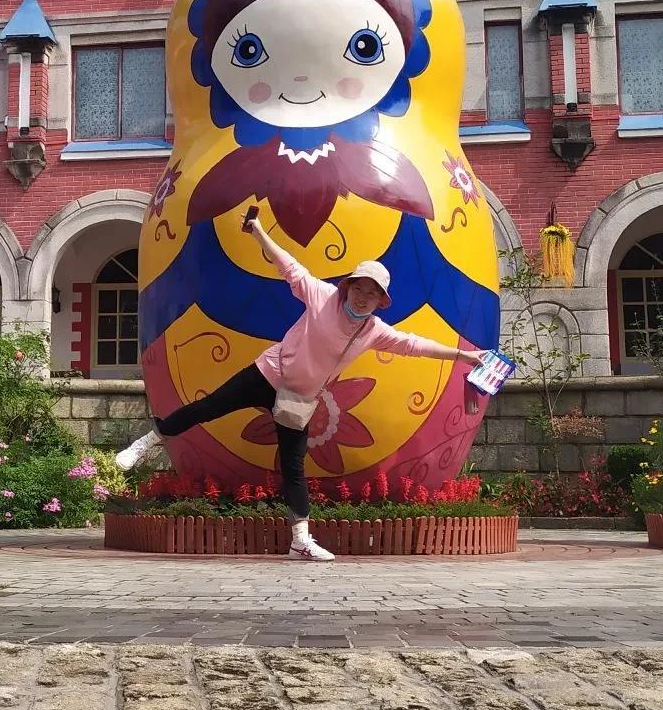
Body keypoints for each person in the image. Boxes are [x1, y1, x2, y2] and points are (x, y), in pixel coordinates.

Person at [116, 210, 484, 560]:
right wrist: (259, 232)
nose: (362, 297)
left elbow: (414, 345)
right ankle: (150, 439)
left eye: (372, 293)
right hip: (268, 374)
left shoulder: (373, 331)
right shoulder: (322, 296)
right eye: (359, 288)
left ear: (379, 301)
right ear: (348, 287)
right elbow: (289, 266)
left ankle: (300, 542)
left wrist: (463, 356)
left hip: (298, 399)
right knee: (209, 407)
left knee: (293, 466)